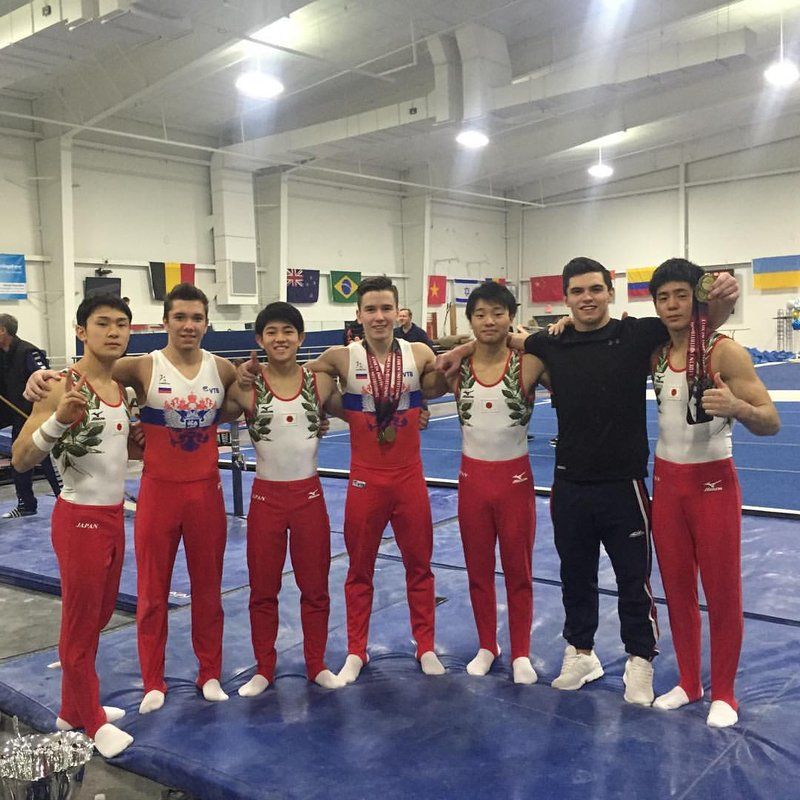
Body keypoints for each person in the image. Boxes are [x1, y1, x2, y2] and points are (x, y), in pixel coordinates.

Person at [438, 257, 738, 705]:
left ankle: (640, 659)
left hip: (623, 483)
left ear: (610, 292)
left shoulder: (639, 333)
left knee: (633, 579)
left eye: (595, 289)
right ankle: (581, 653)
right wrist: (462, 350)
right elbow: (497, 340)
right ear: (565, 298)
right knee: (574, 577)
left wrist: (724, 296)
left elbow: (696, 323)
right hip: (570, 483)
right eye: (577, 291)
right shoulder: (550, 342)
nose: (587, 298)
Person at [26, 283, 238, 714]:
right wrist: (41, 378)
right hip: (158, 494)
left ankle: (210, 671)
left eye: (197, 318)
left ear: (207, 323)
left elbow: (247, 400)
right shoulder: (140, 367)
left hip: (206, 495)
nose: (189, 325)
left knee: (209, 589)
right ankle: (153, 680)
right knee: (151, 592)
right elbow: (86, 373)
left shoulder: (223, 369)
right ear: (165, 322)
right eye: (180, 317)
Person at [276, 276, 445, 684]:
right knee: (359, 569)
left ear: (398, 313)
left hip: (409, 478)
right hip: (365, 481)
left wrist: (419, 408)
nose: (379, 316)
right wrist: (327, 411)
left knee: (420, 566)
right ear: (359, 315)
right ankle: (356, 649)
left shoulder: (419, 352)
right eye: (371, 309)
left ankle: (425, 645)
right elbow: (298, 377)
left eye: (386, 308)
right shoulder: (340, 357)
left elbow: (442, 380)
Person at [647, 259, 779, 728]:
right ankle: (689, 681)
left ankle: (724, 692)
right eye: (663, 298)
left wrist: (738, 406)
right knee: (677, 591)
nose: (672, 305)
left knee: (722, 593)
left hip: (712, 486)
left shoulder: (725, 353)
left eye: (681, 295)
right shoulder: (656, 352)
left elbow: (771, 420)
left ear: (697, 299)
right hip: (666, 485)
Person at [12, 294, 136, 757]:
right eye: (103, 323)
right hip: (79, 519)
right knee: (81, 624)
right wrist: (57, 422)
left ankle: (71, 709)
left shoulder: (121, 387)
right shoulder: (57, 386)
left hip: (114, 517)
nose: (114, 331)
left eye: (122, 323)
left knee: (98, 617)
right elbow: (22, 459)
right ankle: (93, 722)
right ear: (81, 331)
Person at [225, 302, 345, 695]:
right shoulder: (246, 386)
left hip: (309, 497)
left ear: (301, 338)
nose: (280, 339)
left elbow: (364, 411)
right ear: (259, 340)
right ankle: (264, 668)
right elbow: (201, 415)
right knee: (263, 589)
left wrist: (415, 411)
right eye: (272, 332)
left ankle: (316, 664)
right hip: (266, 500)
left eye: (288, 331)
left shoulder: (320, 382)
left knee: (316, 587)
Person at [432, 282, 545, 683]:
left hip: (515, 483)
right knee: (478, 570)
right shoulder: (456, 368)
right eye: (480, 314)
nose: (489, 321)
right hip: (473, 484)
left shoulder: (530, 362)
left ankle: (522, 652)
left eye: (498, 313)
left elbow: (566, 359)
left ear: (511, 317)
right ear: (471, 320)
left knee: (519, 571)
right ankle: (487, 644)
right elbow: (410, 390)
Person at [0, 314, 61, 518]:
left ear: (3, 330)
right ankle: (26, 505)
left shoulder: (28, 352)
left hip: (38, 417)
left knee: (48, 461)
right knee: (18, 460)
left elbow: (48, 383)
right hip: (19, 418)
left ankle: (65, 501)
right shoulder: (2, 354)